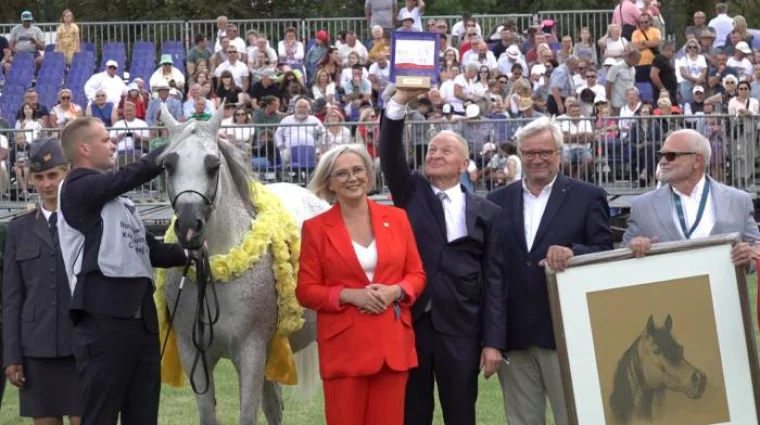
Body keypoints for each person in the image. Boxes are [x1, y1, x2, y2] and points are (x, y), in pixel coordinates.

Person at [379, 86, 506, 425]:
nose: (435, 154)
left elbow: (493, 279)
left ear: (465, 163)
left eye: (445, 150)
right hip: (413, 324)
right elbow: (391, 154)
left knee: (461, 414)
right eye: (432, 149)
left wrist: (493, 343)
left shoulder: (488, 212)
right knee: (413, 414)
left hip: (462, 329)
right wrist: (398, 103)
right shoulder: (411, 192)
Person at [57, 117, 189, 425]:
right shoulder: (76, 187)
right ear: (84, 148)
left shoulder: (119, 201)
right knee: (100, 416)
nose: (113, 143)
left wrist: (188, 253)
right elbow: (128, 176)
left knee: (143, 415)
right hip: (103, 321)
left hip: (140, 323)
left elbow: (150, 250)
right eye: (105, 139)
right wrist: (172, 148)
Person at [485, 116, 613, 425]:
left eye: (545, 152)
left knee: (575, 417)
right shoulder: (496, 200)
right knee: (522, 420)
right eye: (529, 153)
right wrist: (492, 337)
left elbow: (606, 252)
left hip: (566, 332)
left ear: (559, 152)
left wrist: (573, 253)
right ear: (519, 154)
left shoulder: (588, 195)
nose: (537, 159)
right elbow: (493, 274)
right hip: (514, 336)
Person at [297, 144, 426, 425]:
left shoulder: (398, 218)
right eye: (341, 174)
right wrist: (348, 295)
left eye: (357, 170)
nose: (352, 178)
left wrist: (398, 290)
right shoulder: (315, 229)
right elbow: (305, 290)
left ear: (368, 174)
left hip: (392, 346)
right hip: (344, 349)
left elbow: (417, 274)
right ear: (329, 183)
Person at [3, 138, 83, 425]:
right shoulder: (19, 229)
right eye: (39, 177)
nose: (47, 184)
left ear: (66, 173)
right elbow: (12, 299)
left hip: (81, 344)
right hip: (37, 348)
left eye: (53, 175)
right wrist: (12, 356)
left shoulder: (85, 222)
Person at [623, 129, 760, 261]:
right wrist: (633, 247)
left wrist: (748, 257)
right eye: (661, 155)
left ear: (697, 161)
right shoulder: (642, 206)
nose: (662, 162)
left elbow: (756, 249)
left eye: (671, 155)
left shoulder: (738, 200)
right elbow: (621, 255)